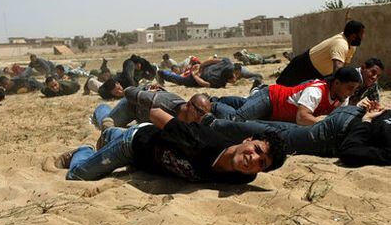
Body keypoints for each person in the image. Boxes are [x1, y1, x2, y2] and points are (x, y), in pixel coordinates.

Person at [48, 108, 286, 183]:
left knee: (111, 134)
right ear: (248, 141)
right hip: (134, 145)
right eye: (257, 150)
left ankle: (108, 126)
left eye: (261, 163)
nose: (253, 159)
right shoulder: (200, 140)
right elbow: (156, 113)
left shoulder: (244, 177)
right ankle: (84, 150)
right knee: (77, 176)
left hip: (147, 161)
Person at [210, 103, 391, 167]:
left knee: (271, 134)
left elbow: (352, 151)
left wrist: (367, 120)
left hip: (341, 125)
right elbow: (351, 151)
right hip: (344, 123)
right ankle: (213, 118)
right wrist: (372, 115)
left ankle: (214, 111)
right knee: (272, 137)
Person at [212, 67, 361, 125]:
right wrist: (321, 123)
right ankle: (214, 105)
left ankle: (218, 100)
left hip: (275, 114)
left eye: (354, 89)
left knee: (244, 104)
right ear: (336, 83)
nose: (352, 93)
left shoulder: (343, 98)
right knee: (237, 121)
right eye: (349, 88)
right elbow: (302, 117)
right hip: (270, 99)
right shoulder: (316, 91)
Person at [276, 20, 365, 86]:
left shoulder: (352, 46)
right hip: (303, 66)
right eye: (361, 35)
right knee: (281, 91)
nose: (363, 37)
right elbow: (338, 70)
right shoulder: (340, 44)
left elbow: (344, 66)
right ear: (353, 36)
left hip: (318, 74)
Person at [92, 86, 211, 129]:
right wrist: (145, 89)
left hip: (143, 118)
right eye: (199, 112)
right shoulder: (159, 102)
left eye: (204, 115)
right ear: (189, 105)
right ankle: (100, 109)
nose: (201, 118)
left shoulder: (190, 118)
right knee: (107, 124)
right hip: (131, 107)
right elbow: (128, 91)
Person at [157, 58, 241, 88]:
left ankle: (163, 73)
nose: (235, 80)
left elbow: (211, 61)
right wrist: (194, 75)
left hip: (200, 70)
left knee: (181, 78)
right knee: (180, 80)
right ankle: (162, 73)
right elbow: (204, 84)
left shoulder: (227, 63)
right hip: (196, 78)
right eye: (233, 78)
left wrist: (201, 66)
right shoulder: (219, 82)